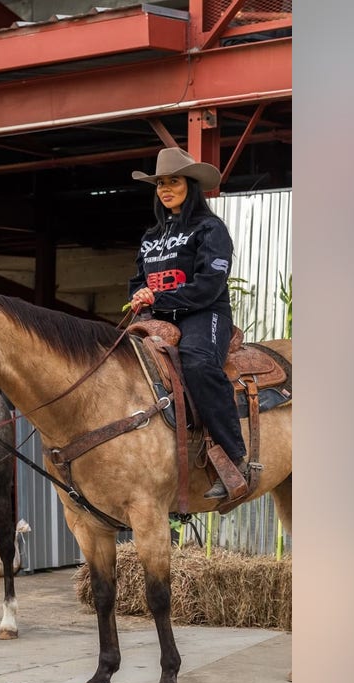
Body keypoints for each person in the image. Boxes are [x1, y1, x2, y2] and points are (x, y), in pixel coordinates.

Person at [128, 148, 251, 500]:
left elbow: (209, 285)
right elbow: (138, 280)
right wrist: (140, 295)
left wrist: (158, 298)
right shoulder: (151, 236)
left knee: (197, 363)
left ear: (191, 186)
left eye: (174, 182)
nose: (166, 189)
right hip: (158, 317)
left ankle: (234, 459)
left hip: (205, 313)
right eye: (160, 184)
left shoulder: (210, 229)